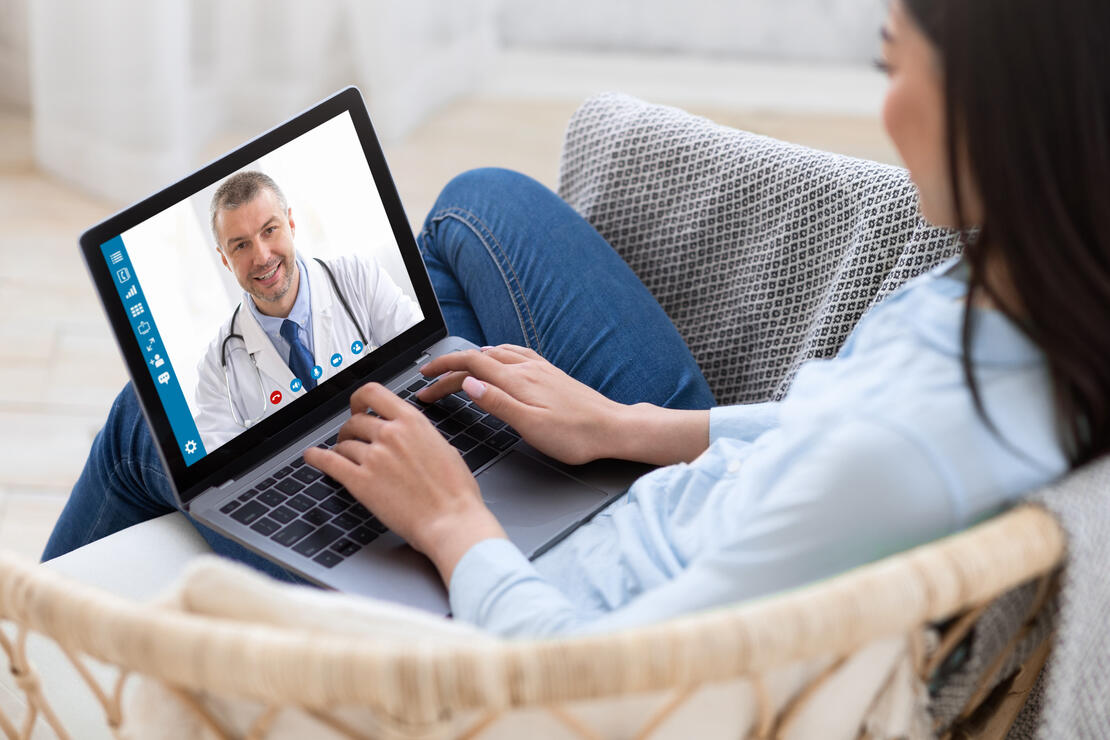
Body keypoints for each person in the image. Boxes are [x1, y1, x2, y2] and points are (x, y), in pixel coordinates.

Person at [45, 0, 1110, 639]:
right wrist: (626, 426)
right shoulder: (1015, 301)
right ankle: (420, 410)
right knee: (473, 219)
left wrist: (455, 521)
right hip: (655, 484)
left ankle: (27, 659)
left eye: (892, 61)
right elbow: (831, 426)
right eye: (242, 246)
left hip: (532, 599)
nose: (883, 102)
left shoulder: (902, 452)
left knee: (152, 426)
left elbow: (588, 686)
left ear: (996, 105)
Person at [195, 171, 422, 449]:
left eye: (269, 230)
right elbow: (218, 461)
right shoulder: (216, 366)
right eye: (241, 245)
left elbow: (422, 360)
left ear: (291, 224)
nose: (262, 257)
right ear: (225, 259)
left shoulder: (357, 278)